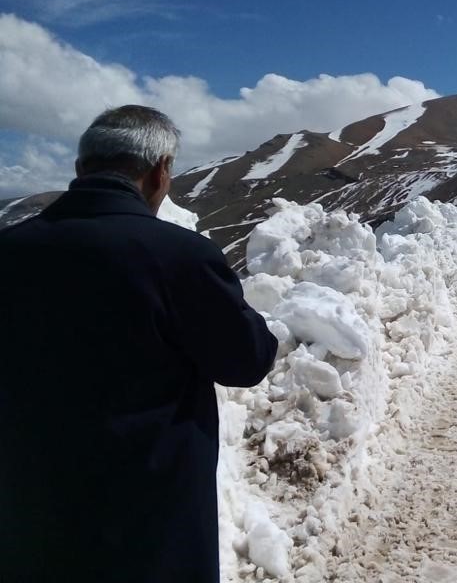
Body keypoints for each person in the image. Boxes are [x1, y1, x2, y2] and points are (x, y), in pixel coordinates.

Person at [0, 105, 279, 582]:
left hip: (26, 501)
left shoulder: (11, 249)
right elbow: (246, 361)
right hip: (149, 508)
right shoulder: (180, 256)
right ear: (160, 172)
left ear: (79, 169)